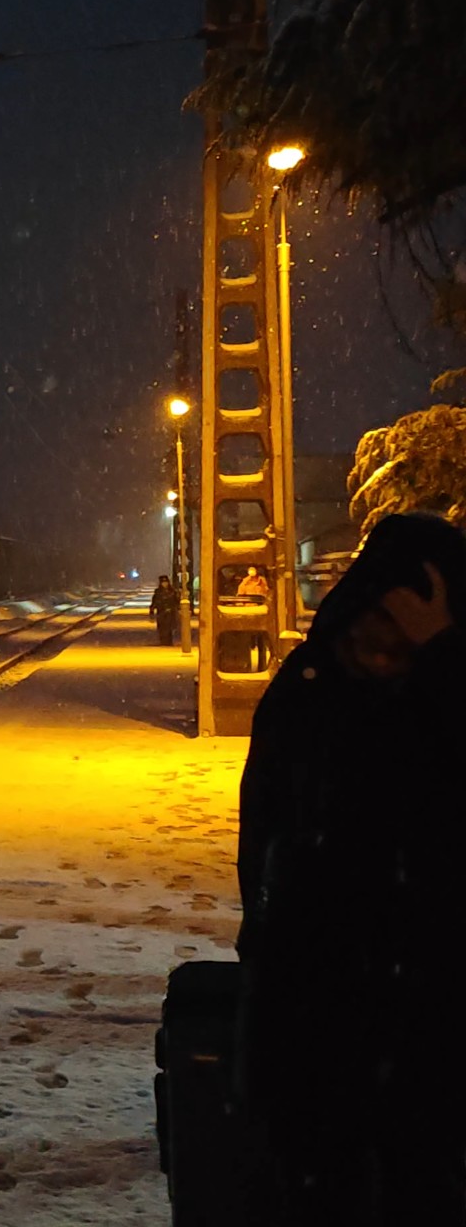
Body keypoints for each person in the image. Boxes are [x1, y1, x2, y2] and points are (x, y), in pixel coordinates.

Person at [236, 512, 466, 1224]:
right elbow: (262, 834)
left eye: (406, 636)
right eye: (377, 626)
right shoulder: (308, 691)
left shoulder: (445, 698)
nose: (384, 649)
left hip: (434, 1022)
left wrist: (445, 660)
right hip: (315, 1012)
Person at [150, 573, 180, 645]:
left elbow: (176, 602)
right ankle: (163, 641)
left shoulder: (172, 592)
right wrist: (151, 612)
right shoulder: (158, 592)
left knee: (169, 628)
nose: (165, 584)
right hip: (161, 613)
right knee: (162, 628)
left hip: (170, 613)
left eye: (166, 582)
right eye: (163, 582)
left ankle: (169, 641)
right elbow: (154, 602)